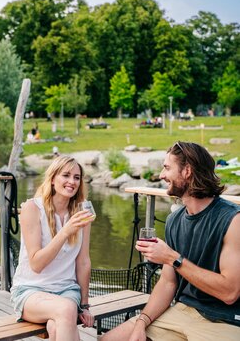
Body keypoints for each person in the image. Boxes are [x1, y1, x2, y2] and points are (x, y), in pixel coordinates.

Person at [102, 141, 240, 341]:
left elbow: (230, 292)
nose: (161, 175)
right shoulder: (174, 220)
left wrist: (172, 258)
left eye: (167, 168)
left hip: (224, 320)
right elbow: (167, 283)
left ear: (187, 171)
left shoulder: (232, 220)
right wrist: (141, 323)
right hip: (182, 312)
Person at [10, 155, 95, 341]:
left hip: (66, 290)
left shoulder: (82, 213)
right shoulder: (32, 208)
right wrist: (65, 232)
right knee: (65, 309)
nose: (71, 182)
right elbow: (36, 264)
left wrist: (86, 305)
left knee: (56, 327)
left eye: (77, 177)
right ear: (53, 178)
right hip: (31, 290)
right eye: (66, 175)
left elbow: (83, 262)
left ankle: (53, 318)